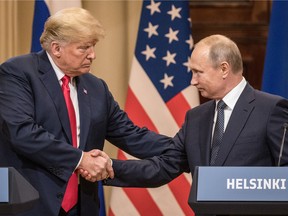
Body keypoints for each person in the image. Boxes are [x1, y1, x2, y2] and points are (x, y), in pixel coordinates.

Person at [0, 7, 172, 216]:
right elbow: (22, 133)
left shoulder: (96, 87)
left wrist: (183, 147)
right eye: (84, 48)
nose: (93, 55)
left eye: (93, 46)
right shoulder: (18, 72)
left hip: (82, 207)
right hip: (31, 203)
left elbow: (131, 135)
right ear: (56, 48)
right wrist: (80, 159)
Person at [105, 34, 288, 215]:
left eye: (198, 72)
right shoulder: (196, 117)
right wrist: (107, 167)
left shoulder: (270, 109)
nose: (192, 81)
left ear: (224, 69)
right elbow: (164, 166)